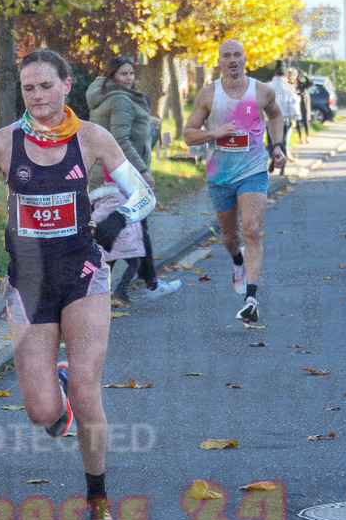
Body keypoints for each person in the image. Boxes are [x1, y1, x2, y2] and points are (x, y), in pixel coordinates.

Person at [0, 49, 157, 520]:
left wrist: (119, 218)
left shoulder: (91, 137)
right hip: (28, 282)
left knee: (89, 389)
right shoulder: (3, 143)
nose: (37, 96)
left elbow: (144, 194)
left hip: (83, 273)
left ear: (67, 86)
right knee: (42, 413)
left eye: (46, 86)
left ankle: (98, 497)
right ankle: (59, 387)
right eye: (28, 88)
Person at [182, 39, 286, 323]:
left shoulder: (262, 91)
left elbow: (276, 115)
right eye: (226, 55)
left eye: (237, 55)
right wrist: (214, 133)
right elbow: (189, 134)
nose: (232, 60)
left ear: (244, 58)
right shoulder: (208, 94)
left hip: (253, 170)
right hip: (220, 175)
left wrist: (278, 146)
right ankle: (237, 261)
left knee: (252, 230)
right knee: (230, 237)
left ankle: (251, 298)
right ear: (219, 61)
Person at [86, 55, 181, 307]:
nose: (129, 78)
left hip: (105, 174)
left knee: (123, 232)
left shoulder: (105, 96)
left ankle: (135, 285)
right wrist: (143, 171)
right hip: (121, 175)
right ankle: (144, 285)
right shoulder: (120, 100)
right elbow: (120, 141)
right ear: (112, 76)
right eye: (123, 74)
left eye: (131, 73)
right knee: (134, 231)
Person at [266, 64, 298, 175]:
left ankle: (272, 158)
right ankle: (282, 166)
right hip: (284, 119)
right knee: (282, 141)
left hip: (269, 119)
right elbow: (293, 104)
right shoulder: (289, 88)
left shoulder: (268, 86)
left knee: (271, 141)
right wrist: (295, 117)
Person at [295, 71, 312, 144]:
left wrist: (305, 76)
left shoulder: (303, 84)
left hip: (304, 104)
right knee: (298, 121)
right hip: (297, 104)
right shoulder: (295, 84)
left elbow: (311, 83)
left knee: (306, 120)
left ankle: (308, 135)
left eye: (300, 76)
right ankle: (300, 137)